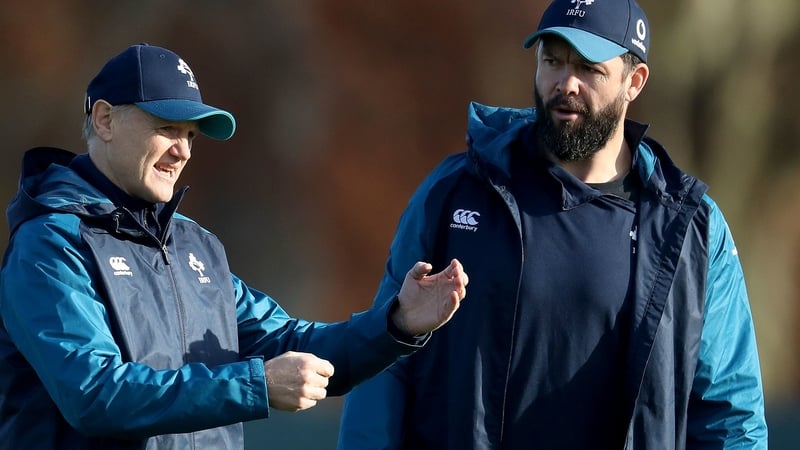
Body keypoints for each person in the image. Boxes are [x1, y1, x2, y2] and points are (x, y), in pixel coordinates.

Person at [338, 0, 768, 448]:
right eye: (552, 61)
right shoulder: (454, 193)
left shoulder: (691, 228)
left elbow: (729, 414)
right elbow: (383, 361)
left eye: (589, 69)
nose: (566, 84)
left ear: (633, 82)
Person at [0, 43, 469, 450]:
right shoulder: (49, 243)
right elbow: (95, 395)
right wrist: (256, 385)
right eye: (166, 127)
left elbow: (290, 342)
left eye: (189, 135)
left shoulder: (194, 247)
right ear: (104, 120)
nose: (182, 150)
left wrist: (396, 323)